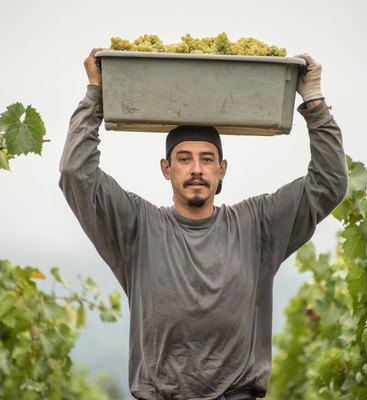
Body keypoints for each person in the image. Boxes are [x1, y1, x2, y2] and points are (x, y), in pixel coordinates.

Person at [59, 48, 348, 400]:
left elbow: (329, 183)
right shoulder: (137, 226)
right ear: (167, 169)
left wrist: (314, 104)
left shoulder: (258, 225)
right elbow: (76, 173)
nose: (196, 168)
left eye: (206, 159)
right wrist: (96, 97)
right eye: (184, 158)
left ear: (221, 170)